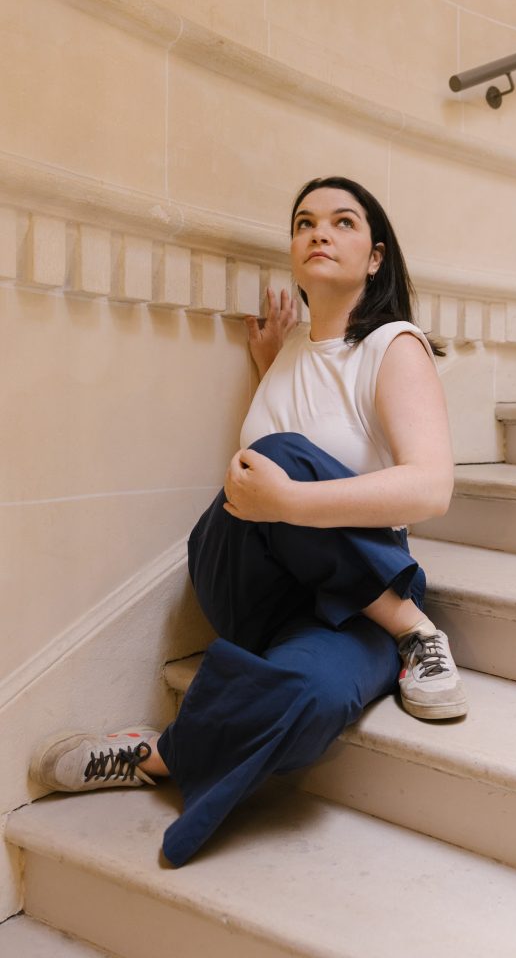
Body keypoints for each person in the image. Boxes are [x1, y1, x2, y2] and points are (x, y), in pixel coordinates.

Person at [30, 176, 468, 867]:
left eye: (342, 222)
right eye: (304, 223)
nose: (319, 232)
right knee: (271, 456)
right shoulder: (289, 351)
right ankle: (408, 626)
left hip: (345, 606)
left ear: (376, 256)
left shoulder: (392, 345)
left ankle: (157, 756)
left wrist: (290, 502)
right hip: (246, 575)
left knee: (316, 694)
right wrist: (273, 362)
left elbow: (429, 487)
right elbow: (298, 424)